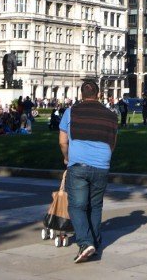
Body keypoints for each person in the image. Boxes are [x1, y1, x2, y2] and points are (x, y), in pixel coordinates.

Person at [59, 80, 118, 263]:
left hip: (78, 165)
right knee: (95, 205)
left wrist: (66, 157)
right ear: (98, 94)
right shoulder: (111, 115)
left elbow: (62, 141)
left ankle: (85, 243)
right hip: (102, 165)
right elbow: (112, 142)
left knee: (77, 206)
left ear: (81, 94)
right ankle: (95, 241)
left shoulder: (71, 112)